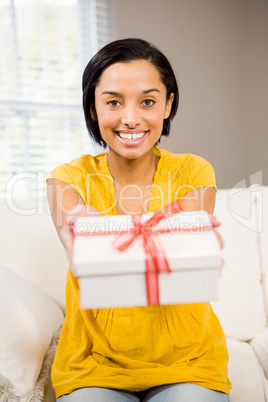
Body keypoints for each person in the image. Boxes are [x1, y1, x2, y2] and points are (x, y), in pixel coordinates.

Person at [47, 38, 231, 402]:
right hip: (93, 365)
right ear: (93, 107)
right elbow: (75, 235)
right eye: (113, 102)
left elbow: (192, 221)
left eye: (147, 101)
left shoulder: (195, 170)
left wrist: (190, 238)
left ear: (168, 105)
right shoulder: (68, 177)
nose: (130, 118)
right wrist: (84, 227)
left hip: (189, 360)